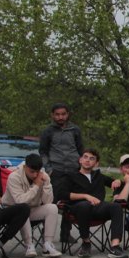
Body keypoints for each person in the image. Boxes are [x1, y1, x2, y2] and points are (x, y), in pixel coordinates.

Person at [59, 148, 127, 258]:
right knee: (84, 205)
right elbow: (62, 194)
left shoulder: (98, 176)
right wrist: (85, 196)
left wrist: (119, 181)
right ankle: (86, 243)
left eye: (92, 158)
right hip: (78, 209)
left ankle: (115, 247)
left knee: (116, 206)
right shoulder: (70, 176)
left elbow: (115, 184)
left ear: (96, 163)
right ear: (80, 160)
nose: (87, 160)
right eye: (85, 157)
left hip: (98, 209)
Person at [1, 153, 62, 258]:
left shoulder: (43, 176)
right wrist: (36, 186)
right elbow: (20, 201)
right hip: (12, 211)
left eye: (37, 172)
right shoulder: (14, 177)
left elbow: (48, 201)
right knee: (23, 209)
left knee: (52, 208)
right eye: (32, 172)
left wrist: (46, 184)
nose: (35, 175)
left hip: (32, 209)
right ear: (25, 167)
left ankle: (48, 245)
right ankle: (29, 245)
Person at [39, 102, 83, 242]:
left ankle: (65, 234)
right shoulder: (48, 131)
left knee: (70, 203)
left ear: (68, 114)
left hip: (73, 170)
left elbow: (80, 149)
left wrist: (81, 165)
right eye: (57, 114)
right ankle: (47, 235)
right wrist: (48, 169)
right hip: (56, 171)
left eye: (63, 114)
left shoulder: (75, 130)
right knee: (51, 203)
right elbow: (43, 152)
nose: (60, 117)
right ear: (52, 115)